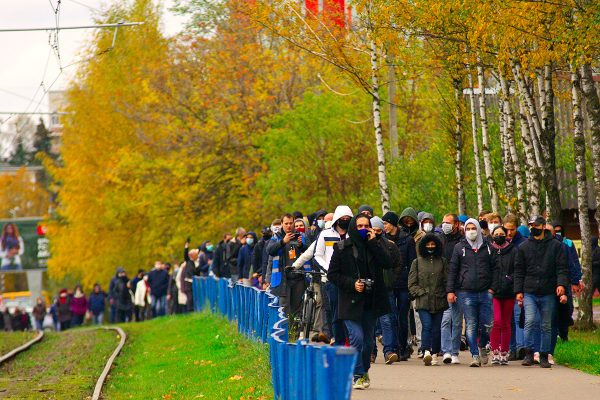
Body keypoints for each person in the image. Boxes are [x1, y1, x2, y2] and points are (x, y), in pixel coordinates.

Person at [327, 214, 392, 390]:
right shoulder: (341, 248)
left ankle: (363, 371)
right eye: (360, 226)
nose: (363, 229)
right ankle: (357, 374)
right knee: (357, 337)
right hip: (350, 301)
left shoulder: (375, 245)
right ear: (353, 228)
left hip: (370, 302)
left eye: (366, 226)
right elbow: (332, 275)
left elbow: (388, 263)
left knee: (369, 343)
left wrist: (374, 243)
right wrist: (352, 284)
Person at [514, 215, 568, 368]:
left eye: (536, 226)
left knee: (546, 325)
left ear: (543, 226)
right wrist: (518, 290)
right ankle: (529, 353)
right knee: (530, 321)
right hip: (529, 291)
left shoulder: (556, 246)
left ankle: (544, 355)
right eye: (531, 226)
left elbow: (562, 268)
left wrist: (561, 285)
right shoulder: (524, 247)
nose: (533, 228)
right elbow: (519, 270)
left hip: (548, 291)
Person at [447, 218, 494, 367]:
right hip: (465, 292)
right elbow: (453, 270)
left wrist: (493, 287)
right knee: (471, 324)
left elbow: (495, 268)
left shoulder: (488, 247)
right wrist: (450, 290)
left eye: (473, 228)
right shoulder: (459, 247)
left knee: (487, 325)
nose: (471, 231)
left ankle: (483, 346)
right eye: (468, 228)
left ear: (479, 229)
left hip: (485, 291)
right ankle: (474, 355)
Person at [313, 206, 354, 345]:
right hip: (332, 280)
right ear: (337, 219)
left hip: (350, 279)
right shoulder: (325, 234)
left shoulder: (353, 234)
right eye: (342, 219)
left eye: (348, 219)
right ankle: (339, 342)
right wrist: (329, 270)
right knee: (336, 313)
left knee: (351, 312)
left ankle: (350, 340)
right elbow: (317, 255)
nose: (345, 221)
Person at [409, 233, 448, 366]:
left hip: (439, 300)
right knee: (427, 325)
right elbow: (412, 284)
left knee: (437, 328)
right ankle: (425, 350)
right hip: (423, 301)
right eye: (428, 244)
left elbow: (446, 280)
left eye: (433, 244)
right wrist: (421, 293)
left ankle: (435, 352)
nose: (430, 247)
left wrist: (446, 293)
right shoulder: (417, 262)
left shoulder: (442, 261)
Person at [382, 210, 416, 361]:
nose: (384, 226)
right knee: (391, 316)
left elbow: (412, 263)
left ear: (393, 224)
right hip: (389, 284)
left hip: (404, 283)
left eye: (386, 223)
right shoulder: (382, 240)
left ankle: (403, 347)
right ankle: (393, 347)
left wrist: (411, 283)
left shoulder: (407, 239)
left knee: (403, 317)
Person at [267, 214, 308, 332]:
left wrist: (301, 245)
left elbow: (309, 252)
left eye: (291, 223)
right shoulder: (276, 237)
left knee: (297, 309)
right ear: (282, 224)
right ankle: (283, 335)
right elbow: (270, 251)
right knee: (284, 308)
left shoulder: (300, 236)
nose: (289, 226)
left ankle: (294, 335)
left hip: (298, 277)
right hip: (283, 279)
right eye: (286, 223)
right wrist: (283, 242)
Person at [371, 216, 404, 364]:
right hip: (369, 288)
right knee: (370, 321)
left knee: (387, 320)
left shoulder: (390, 245)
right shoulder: (365, 245)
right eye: (374, 230)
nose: (377, 232)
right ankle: (371, 351)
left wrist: (391, 279)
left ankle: (389, 351)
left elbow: (398, 264)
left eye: (379, 230)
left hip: (386, 288)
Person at [489, 226, 517, 365]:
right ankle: (494, 350)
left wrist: (510, 280)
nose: (499, 236)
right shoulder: (489, 250)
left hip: (508, 291)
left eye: (501, 234)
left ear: (506, 235)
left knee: (506, 323)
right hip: (493, 292)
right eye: (496, 234)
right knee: (497, 321)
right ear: (492, 235)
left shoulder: (513, 250)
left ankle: (504, 351)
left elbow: (516, 269)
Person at [440, 213, 464, 364]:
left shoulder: (462, 242)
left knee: (456, 322)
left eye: (447, 222)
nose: (444, 225)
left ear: (456, 224)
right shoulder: (440, 240)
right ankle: (446, 351)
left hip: (459, 286)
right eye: (443, 222)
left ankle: (454, 351)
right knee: (445, 320)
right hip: (443, 286)